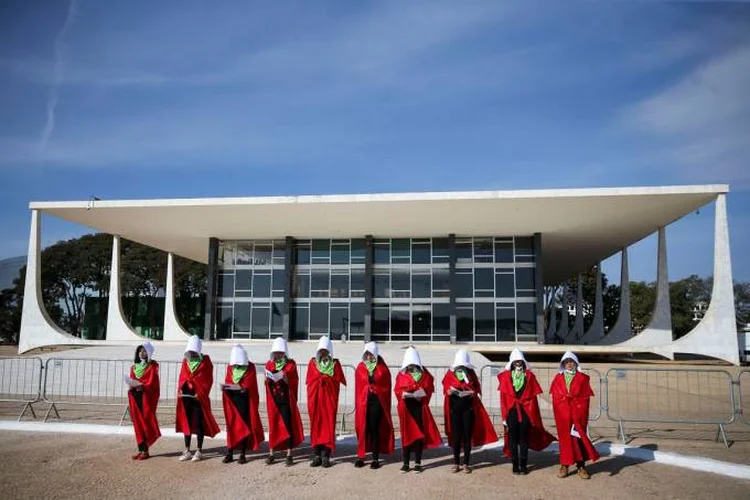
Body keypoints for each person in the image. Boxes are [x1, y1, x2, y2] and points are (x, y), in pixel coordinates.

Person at [498, 348, 555, 475]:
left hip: (526, 410)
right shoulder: (506, 376)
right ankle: (515, 464)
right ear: (512, 362)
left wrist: (533, 414)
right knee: (513, 438)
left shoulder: (529, 376)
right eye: (516, 360)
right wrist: (504, 416)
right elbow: (503, 398)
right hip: (512, 411)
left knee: (524, 438)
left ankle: (523, 464)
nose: (518, 362)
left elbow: (533, 398)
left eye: (520, 360)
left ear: (523, 361)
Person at [442, 349, 498, 473]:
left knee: (467, 436)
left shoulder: (471, 373)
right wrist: (449, 391)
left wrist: (473, 392)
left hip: (468, 409)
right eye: (460, 365)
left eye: (464, 365)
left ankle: (466, 463)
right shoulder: (450, 374)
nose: (462, 367)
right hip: (454, 409)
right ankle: (456, 463)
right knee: (456, 437)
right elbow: (445, 387)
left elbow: (477, 388)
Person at [550, 351, 600, 479]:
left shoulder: (583, 378)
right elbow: (555, 396)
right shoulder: (558, 378)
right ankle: (564, 465)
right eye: (566, 362)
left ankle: (581, 466)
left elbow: (585, 398)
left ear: (576, 363)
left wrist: (576, 405)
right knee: (565, 440)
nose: (569, 365)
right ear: (563, 364)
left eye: (571, 362)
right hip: (563, 414)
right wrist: (563, 404)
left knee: (578, 439)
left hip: (578, 414)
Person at [394, 346, 442, 473]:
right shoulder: (402, 374)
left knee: (419, 435)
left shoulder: (425, 375)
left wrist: (422, 395)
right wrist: (403, 394)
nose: (411, 366)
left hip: (419, 407)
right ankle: (405, 463)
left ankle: (418, 462)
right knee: (406, 435)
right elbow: (397, 389)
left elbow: (429, 387)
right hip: (406, 407)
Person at [175, 335, 220, 462]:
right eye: (190, 351)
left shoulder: (206, 361)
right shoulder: (185, 362)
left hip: (198, 398)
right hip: (186, 397)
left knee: (199, 423)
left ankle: (199, 450)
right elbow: (182, 377)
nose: (192, 354)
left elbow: (207, 380)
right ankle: (187, 449)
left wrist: (201, 393)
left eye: (194, 351)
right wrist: (180, 389)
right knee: (187, 422)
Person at [306, 336, 347, 468]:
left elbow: (337, 382)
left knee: (328, 427)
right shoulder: (313, 363)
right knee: (316, 427)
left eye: (325, 351)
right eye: (321, 351)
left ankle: (326, 456)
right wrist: (320, 380)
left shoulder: (335, 364)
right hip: (316, 402)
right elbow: (310, 382)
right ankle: (316, 455)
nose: (323, 353)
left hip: (328, 402)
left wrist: (326, 380)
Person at [264, 337, 304, 466]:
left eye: (280, 352)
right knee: (273, 425)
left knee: (287, 425)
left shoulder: (291, 364)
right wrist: (269, 378)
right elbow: (266, 382)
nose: (278, 355)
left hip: (286, 400)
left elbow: (294, 381)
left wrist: (287, 379)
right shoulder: (269, 364)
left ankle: (289, 454)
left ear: (284, 353)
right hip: (274, 400)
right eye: (276, 352)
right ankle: (271, 453)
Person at [354, 342, 394, 469]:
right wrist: (367, 388)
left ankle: (375, 458)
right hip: (363, 402)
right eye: (366, 354)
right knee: (362, 429)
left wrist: (375, 388)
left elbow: (386, 385)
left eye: (370, 354)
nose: (368, 357)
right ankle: (361, 456)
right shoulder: (361, 367)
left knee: (374, 429)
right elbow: (359, 385)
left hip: (377, 403)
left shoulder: (382, 368)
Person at [221, 344, 264, 464]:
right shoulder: (230, 368)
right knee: (231, 427)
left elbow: (251, 385)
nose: (235, 365)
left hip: (244, 402)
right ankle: (229, 452)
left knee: (245, 426)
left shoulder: (250, 367)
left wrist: (244, 389)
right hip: (233, 401)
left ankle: (242, 454)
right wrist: (226, 388)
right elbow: (228, 381)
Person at [127, 341, 160, 460]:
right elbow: (132, 379)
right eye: (140, 351)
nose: (141, 353)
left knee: (145, 423)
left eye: (144, 351)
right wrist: (132, 386)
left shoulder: (152, 366)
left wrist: (143, 386)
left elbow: (153, 383)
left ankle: (145, 450)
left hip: (146, 398)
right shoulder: (134, 367)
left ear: (149, 353)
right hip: (135, 397)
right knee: (137, 424)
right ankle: (141, 449)